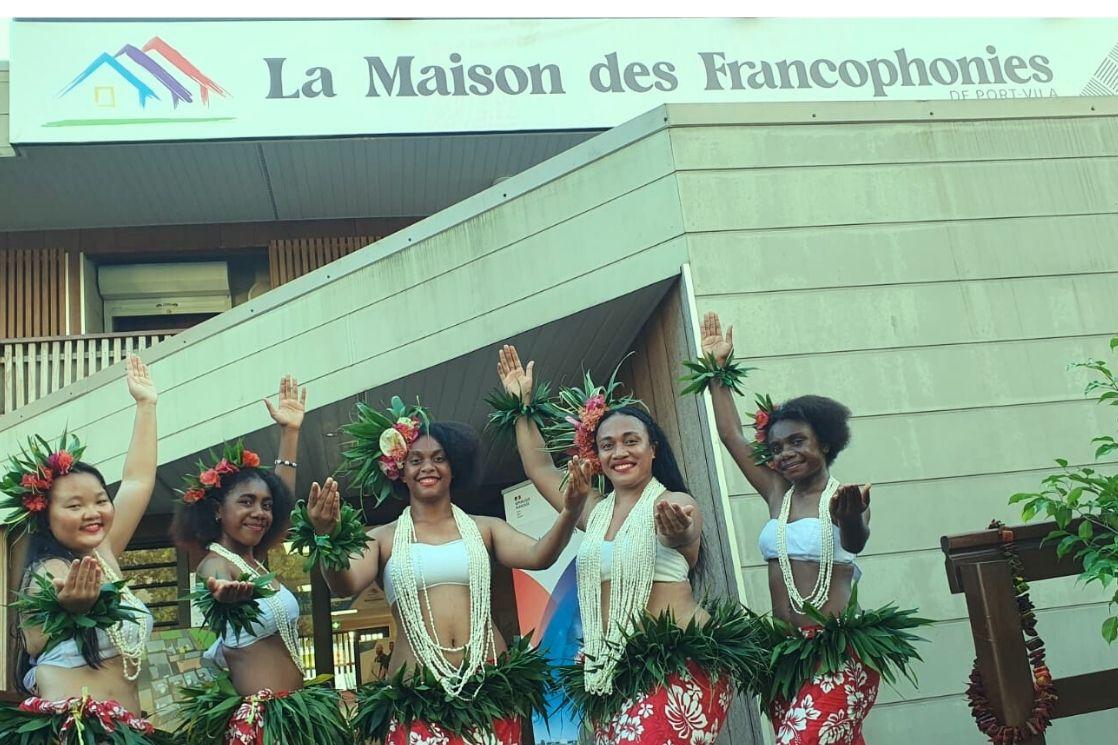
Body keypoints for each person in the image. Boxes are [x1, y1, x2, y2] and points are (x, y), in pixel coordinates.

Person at [497, 344, 764, 744]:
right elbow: (539, 467)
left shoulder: (672, 502)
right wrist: (522, 404)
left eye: (630, 441)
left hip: (675, 668)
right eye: (607, 445)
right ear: (597, 456)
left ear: (653, 448)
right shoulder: (594, 512)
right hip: (614, 675)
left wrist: (677, 531)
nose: (619, 452)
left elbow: (684, 531)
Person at [695, 312, 927, 745]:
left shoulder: (847, 496)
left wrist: (851, 516)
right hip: (786, 660)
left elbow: (855, 541)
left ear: (824, 442)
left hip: (837, 654)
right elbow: (730, 435)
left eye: (797, 441)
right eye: (777, 447)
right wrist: (717, 371)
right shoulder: (776, 495)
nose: (785, 454)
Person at [305, 399, 583, 745]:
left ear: (454, 468)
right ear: (399, 471)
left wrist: (570, 511)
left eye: (439, 458)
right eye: (415, 460)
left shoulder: (485, 529)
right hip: (417, 699)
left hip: (487, 691)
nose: (428, 467)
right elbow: (343, 584)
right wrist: (325, 535)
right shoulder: (383, 538)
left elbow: (540, 555)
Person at [170, 376, 350, 745]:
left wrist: (290, 432)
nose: (260, 513)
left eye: (266, 506)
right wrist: (220, 592)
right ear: (218, 511)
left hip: (296, 715)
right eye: (246, 503)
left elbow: (282, 492)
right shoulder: (216, 562)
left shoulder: (257, 563)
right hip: (260, 727)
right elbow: (213, 578)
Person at [0, 356, 168, 743]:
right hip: (73, 732)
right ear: (46, 516)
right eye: (75, 506)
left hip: (127, 730)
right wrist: (70, 610)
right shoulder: (46, 572)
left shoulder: (103, 555)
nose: (93, 513)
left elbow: (139, 480)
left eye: (99, 500)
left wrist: (146, 406)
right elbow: (37, 638)